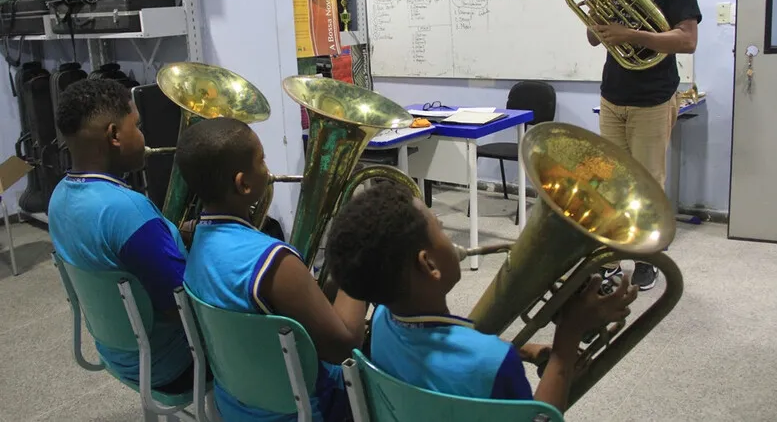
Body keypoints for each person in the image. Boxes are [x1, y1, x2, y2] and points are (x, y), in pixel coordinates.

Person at [324, 181, 638, 414]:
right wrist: (565, 347)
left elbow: (456, 340)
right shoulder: (492, 363)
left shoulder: (381, 322)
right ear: (429, 264)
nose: (445, 228)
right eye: (440, 229)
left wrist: (526, 350)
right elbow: (539, 418)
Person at [176, 117, 365, 422]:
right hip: (306, 412)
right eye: (261, 160)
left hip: (234, 405)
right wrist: (360, 263)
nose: (267, 168)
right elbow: (345, 347)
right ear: (243, 183)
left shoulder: (192, 239)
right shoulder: (275, 260)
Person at [583, 0, 702, 290]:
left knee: (648, 183)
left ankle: (649, 257)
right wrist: (594, 16)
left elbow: (686, 40)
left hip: (653, 97)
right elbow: (593, 38)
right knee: (613, 184)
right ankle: (615, 257)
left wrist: (632, 34)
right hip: (613, 95)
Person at [48, 78, 195, 392]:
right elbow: (181, 306)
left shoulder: (59, 197)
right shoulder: (128, 212)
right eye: (137, 126)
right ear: (115, 134)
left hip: (118, 353)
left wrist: (168, 235)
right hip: (172, 364)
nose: (143, 137)